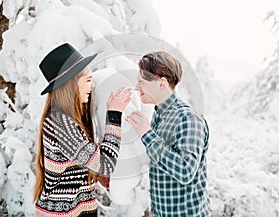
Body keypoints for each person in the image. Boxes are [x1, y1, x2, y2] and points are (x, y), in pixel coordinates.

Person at [34, 43, 131, 217]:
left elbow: (80, 162)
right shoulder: (60, 124)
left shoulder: (64, 120)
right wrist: (114, 115)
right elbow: (106, 164)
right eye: (88, 80)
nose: (92, 86)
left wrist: (92, 172)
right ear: (71, 84)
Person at [126, 51, 210, 217]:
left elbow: (185, 171)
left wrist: (147, 133)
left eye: (141, 82)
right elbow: (162, 167)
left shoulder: (188, 118)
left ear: (161, 83)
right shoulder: (159, 114)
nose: (137, 87)